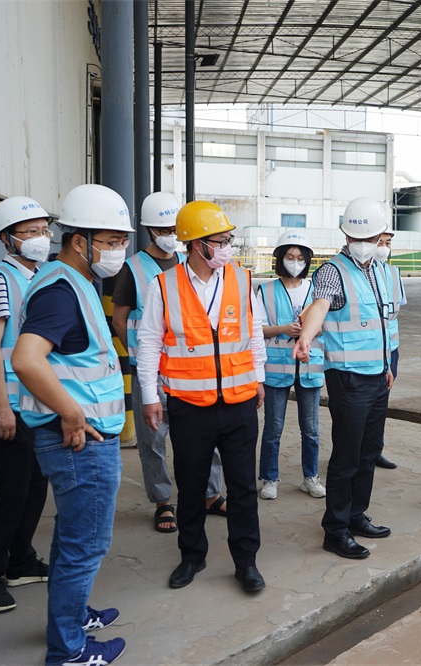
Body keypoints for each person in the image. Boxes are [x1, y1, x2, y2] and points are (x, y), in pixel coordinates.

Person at [11, 184, 131, 665]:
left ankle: (73, 618)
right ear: (79, 241)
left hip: (83, 438)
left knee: (72, 539)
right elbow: (26, 359)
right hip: (81, 440)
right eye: (111, 239)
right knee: (85, 547)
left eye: (122, 240)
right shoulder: (62, 289)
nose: (119, 249)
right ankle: (70, 652)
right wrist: (72, 412)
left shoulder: (74, 282)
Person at [136, 201, 267, 594]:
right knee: (191, 486)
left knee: (243, 487)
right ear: (195, 243)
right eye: (220, 241)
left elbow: (255, 331)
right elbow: (148, 343)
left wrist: (259, 378)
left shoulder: (242, 280)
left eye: (229, 240)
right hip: (189, 405)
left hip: (240, 402)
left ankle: (246, 561)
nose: (227, 247)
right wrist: (148, 395)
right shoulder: (163, 286)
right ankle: (192, 555)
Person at [110, 192, 227, 534]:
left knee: (207, 434)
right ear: (148, 229)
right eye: (162, 227)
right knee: (153, 440)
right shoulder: (132, 269)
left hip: (191, 370)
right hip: (151, 371)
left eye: (173, 227)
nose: (169, 233)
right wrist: (140, 357)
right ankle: (163, 500)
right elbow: (119, 320)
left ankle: (210, 493)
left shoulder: (189, 260)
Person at [291, 197, 394, 560]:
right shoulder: (333, 270)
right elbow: (319, 305)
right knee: (347, 456)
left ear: (381, 235)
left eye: (370, 236)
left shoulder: (381, 270)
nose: (362, 242)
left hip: (377, 376)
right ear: (345, 234)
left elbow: (384, 323)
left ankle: (355, 514)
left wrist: (387, 365)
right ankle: (335, 529)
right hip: (348, 378)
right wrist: (305, 336)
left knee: (369, 452)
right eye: (355, 236)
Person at [0, 196, 52, 613]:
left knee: (36, 484)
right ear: (7, 238)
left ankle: (20, 560)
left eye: (44, 230)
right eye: (31, 231)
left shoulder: (39, 276)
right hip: (7, 405)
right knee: (11, 490)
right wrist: (1, 406)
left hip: (35, 403)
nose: (41, 238)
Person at [257, 230, 326, 501]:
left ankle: (310, 477)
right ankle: (269, 478)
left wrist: (309, 334)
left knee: (311, 428)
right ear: (280, 258)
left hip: (309, 366)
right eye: (289, 256)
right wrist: (284, 329)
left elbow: (325, 324)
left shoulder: (317, 290)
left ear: (307, 260)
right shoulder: (266, 289)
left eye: (300, 257)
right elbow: (258, 329)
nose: (294, 262)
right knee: (273, 427)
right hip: (277, 367)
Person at [374, 227, 405, 470]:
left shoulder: (394, 273)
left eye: (387, 243)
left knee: (381, 401)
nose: (384, 248)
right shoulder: (361, 274)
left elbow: (395, 312)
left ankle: (376, 449)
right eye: (379, 242)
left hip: (390, 347)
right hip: (368, 348)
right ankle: (361, 450)